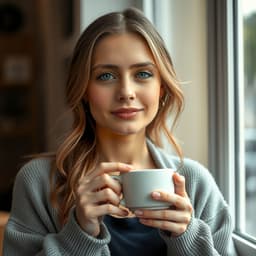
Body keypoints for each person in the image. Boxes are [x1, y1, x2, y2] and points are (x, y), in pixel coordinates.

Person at [3, 7, 237, 256]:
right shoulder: (38, 183)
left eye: (143, 74)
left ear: (161, 87)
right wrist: (79, 234)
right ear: (83, 90)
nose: (126, 91)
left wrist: (187, 238)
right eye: (105, 76)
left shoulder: (195, 182)